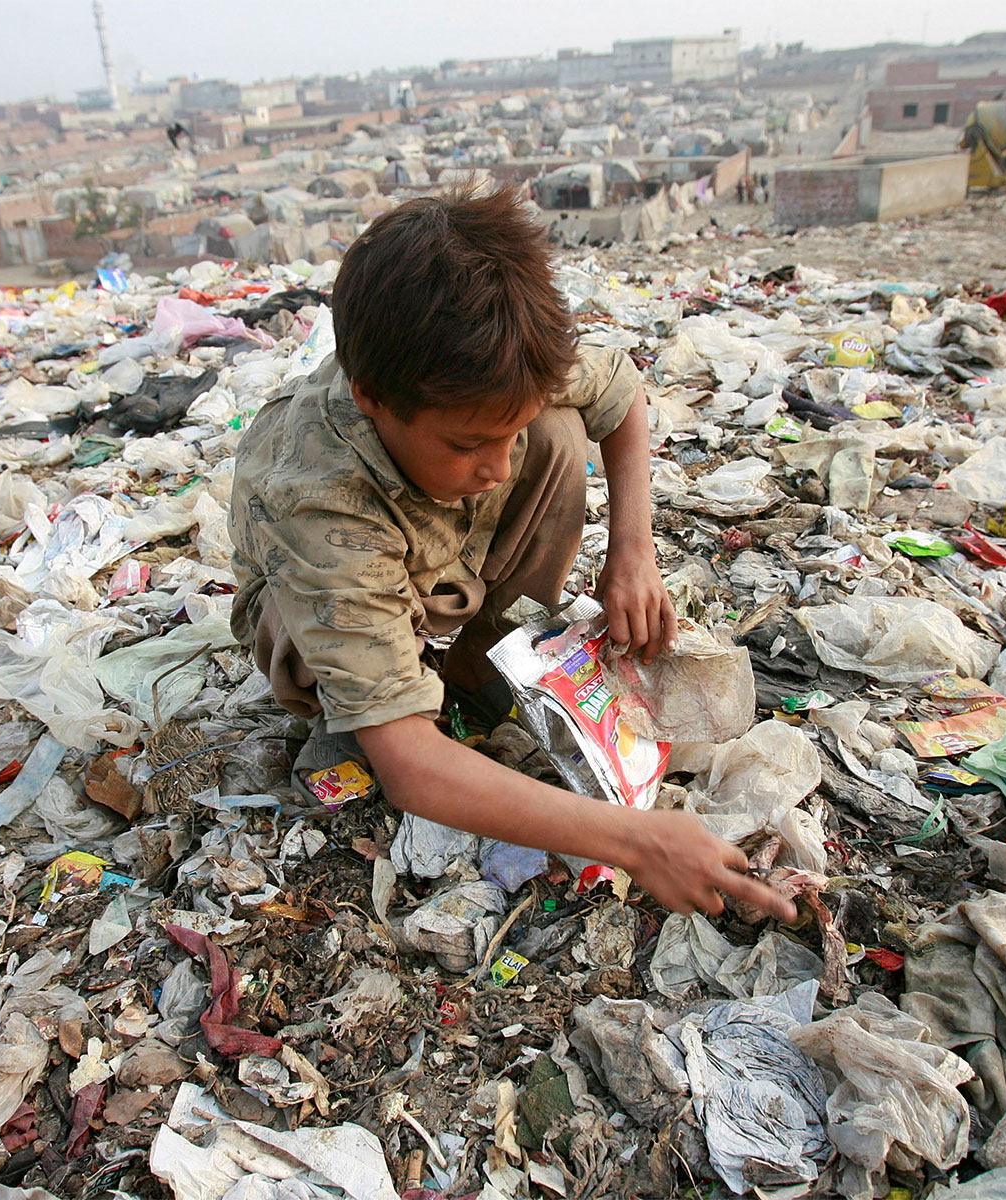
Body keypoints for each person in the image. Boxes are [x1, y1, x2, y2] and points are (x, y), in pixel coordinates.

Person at [229, 187, 794, 922]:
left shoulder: (502, 360)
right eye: (468, 444)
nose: (497, 465)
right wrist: (638, 841)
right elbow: (409, 770)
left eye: (503, 435)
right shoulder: (321, 497)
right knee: (366, 699)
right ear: (371, 397)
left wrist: (633, 551)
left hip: (449, 558)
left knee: (556, 432)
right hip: (323, 601)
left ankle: (482, 670)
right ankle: (366, 706)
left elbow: (620, 393)